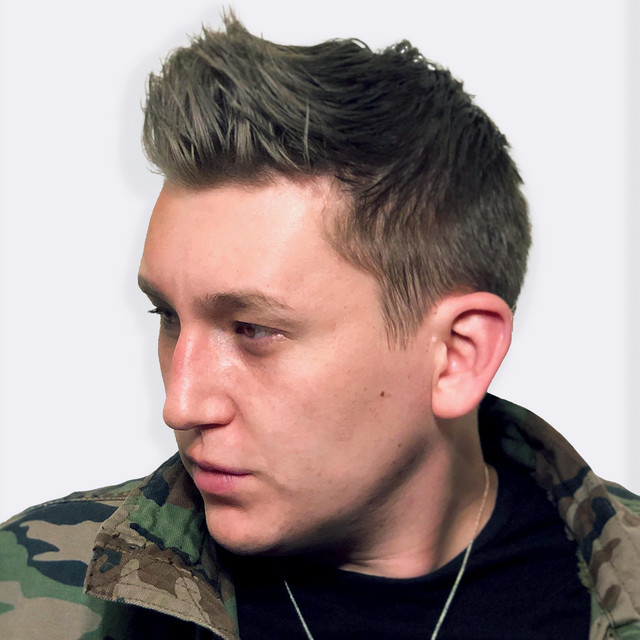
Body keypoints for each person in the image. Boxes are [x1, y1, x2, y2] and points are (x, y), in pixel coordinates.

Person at [1, 13, 638, 640]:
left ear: (456, 355)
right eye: (167, 316)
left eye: (252, 329)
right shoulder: (28, 595)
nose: (181, 405)